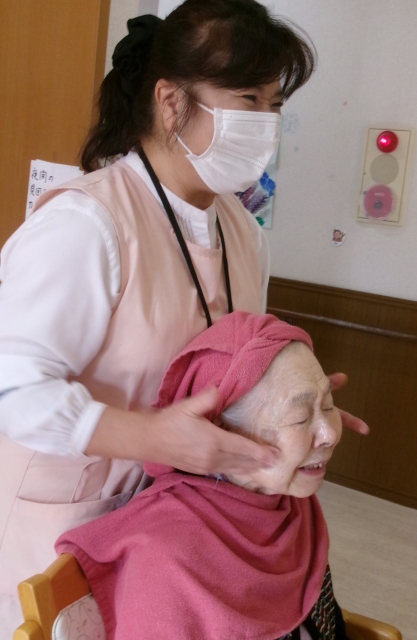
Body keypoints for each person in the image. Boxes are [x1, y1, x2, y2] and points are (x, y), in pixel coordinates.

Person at [0, 0, 367, 633]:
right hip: (63, 522)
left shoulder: (243, 234)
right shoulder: (88, 224)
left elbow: (232, 365)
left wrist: (295, 402)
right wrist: (154, 439)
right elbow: (13, 390)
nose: (268, 123)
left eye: (275, 104)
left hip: (177, 527)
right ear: (172, 103)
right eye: (249, 100)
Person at [56, 311, 347, 640]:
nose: (330, 434)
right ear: (222, 429)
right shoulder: (166, 560)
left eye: (328, 405)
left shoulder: (293, 506)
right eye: (300, 417)